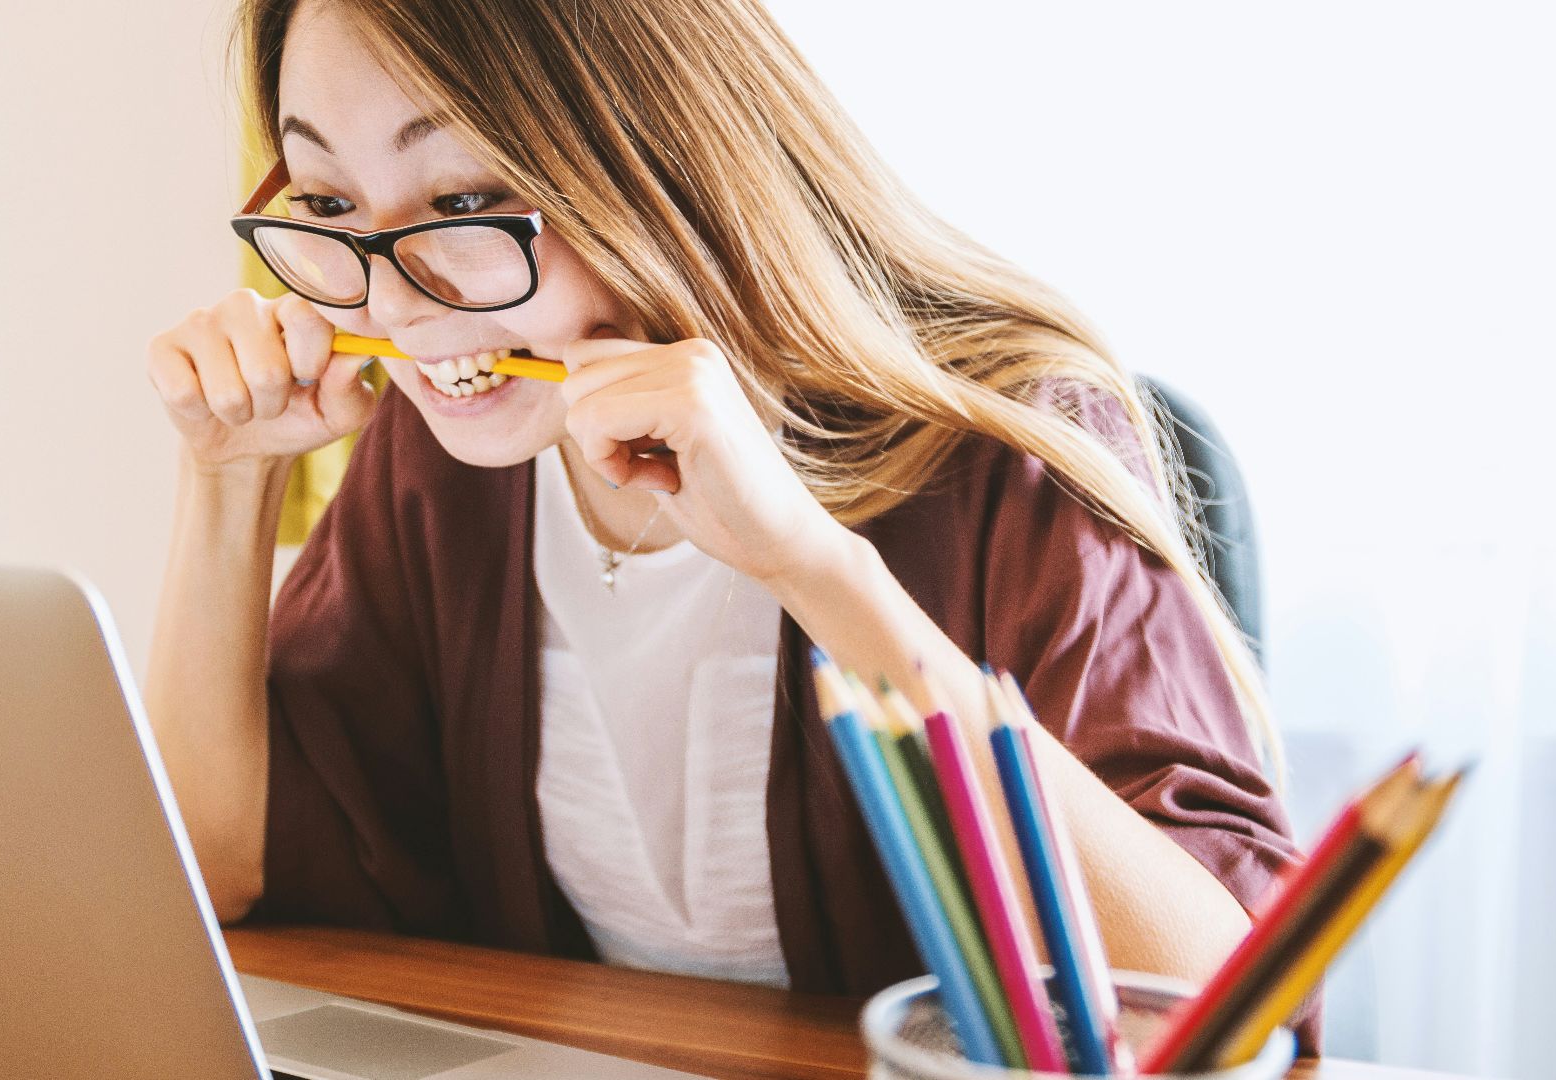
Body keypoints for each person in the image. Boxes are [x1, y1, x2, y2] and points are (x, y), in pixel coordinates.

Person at [144, 0, 1314, 1045]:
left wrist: (809, 567)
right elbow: (216, 870)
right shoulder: (448, 454)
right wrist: (226, 480)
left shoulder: (1008, 444)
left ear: (661, 162)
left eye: (464, 201)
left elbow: (1219, 1003)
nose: (394, 304)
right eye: (332, 205)